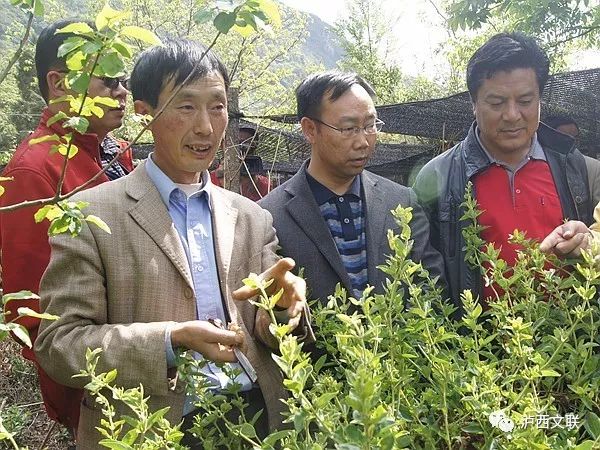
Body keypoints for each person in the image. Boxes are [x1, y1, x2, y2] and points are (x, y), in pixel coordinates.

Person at [34, 39, 312, 449]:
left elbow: (270, 334)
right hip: (149, 426)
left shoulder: (252, 216)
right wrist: (169, 340)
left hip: (257, 419)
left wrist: (285, 311)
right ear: (144, 113)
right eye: (185, 106)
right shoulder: (90, 215)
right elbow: (60, 345)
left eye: (217, 106)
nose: (205, 127)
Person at [0, 19, 133, 432]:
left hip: (143, 365)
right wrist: (80, 405)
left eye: (123, 79)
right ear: (59, 84)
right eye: (109, 80)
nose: (123, 92)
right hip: (98, 394)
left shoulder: (115, 153)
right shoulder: (34, 172)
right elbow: (33, 314)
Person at [413, 33, 594, 309]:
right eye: (496, 103)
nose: (511, 115)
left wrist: (589, 240)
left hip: (563, 341)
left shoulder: (577, 167)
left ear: (539, 100)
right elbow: (423, 273)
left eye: (525, 101)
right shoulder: (438, 176)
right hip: (478, 345)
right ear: (474, 104)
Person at [259, 70, 445, 306]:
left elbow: (430, 287)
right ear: (310, 129)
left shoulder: (402, 203)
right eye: (348, 129)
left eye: (370, 125)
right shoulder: (270, 216)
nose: (363, 141)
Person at [544, 114, 600, 208]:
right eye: (566, 137)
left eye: (576, 137)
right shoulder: (538, 165)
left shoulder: (593, 168)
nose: (572, 142)